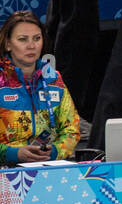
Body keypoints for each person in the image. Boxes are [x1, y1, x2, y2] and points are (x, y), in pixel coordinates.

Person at [0, 11, 80, 165]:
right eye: (23, 39)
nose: (31, 46)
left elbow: (72, 130)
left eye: (37, 38)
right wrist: (13, 154)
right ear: (8, 44)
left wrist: (54, 151)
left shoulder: (53, 79)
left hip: (48, 168)